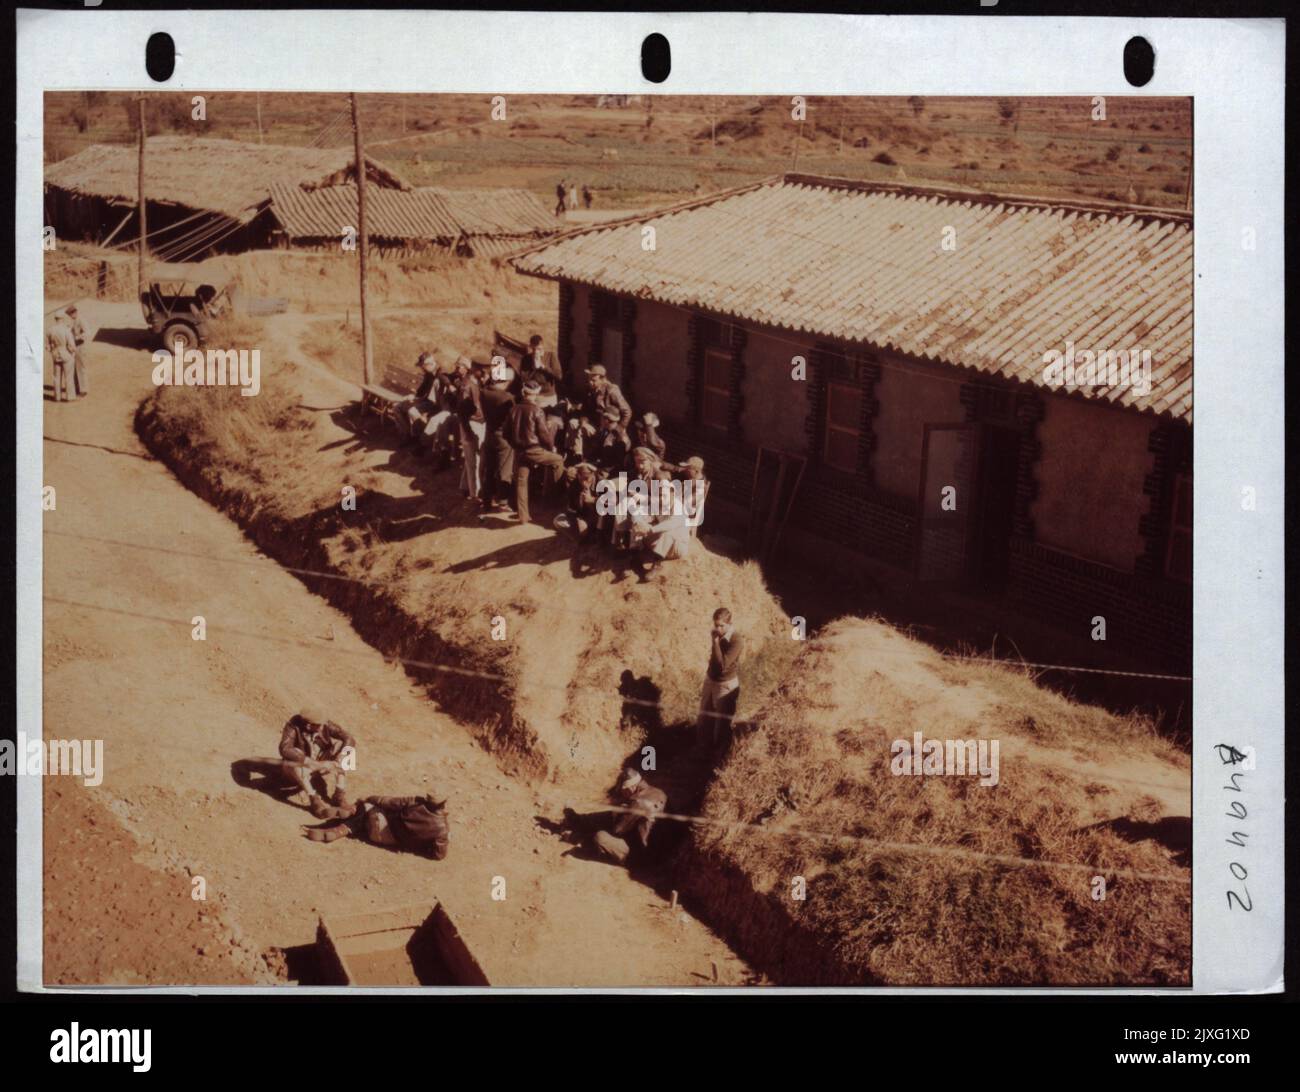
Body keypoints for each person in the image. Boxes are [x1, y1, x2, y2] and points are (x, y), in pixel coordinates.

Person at [307, 793, 450, 859]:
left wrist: (369, 798)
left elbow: (387, 801)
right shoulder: (442, 829)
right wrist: (418, 846)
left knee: (367, 807)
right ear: (444, 803)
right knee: (366, 820)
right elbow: (438, 855)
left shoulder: (416, 802)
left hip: (381, 826)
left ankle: (347, 820)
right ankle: (344, 826)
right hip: (391, 842)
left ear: (428, 798)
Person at [507, 381, 566, 525]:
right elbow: (544, 435)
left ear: (523, 393)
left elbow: (506, 433)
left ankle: (523, 517)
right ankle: (552, 499)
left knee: (521, 482)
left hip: (519, 451)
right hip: (534, 450)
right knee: (558, 460)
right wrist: (550, 448)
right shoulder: (537, 411)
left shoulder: (513, 409)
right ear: (536, 394)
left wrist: (515, 446)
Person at [278, 709, 355, 815]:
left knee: (348, 750)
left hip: (318, 765)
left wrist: (339, 758)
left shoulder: (324, 724)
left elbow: (349, 738)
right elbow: (285, 749)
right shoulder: (293, 726)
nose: (324, 727)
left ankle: (339, 794)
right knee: (296, 754)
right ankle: (313, 799)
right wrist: (312, 762)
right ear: (309, 726)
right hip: (298, 770)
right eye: (320, 725)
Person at [591, 768, 667, 866]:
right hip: (665, 849)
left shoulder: (638, 802)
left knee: (600, 837)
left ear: (631, 788)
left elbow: (617, 830)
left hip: (647, 857)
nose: (622, 794)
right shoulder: (659, 792)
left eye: (623, 791)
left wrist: (617, 814)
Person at [630, 477, 692, 580]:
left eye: (664, 495)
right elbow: (639, 512)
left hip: (677, 546)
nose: (662, 498)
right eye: (659, 495)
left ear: (672, 494)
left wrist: (650, 529)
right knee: (639, 524)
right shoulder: (658, 503)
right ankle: (636, 555)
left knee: (668, 531)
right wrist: (638, 522)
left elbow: (671, 524)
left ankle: (657, 564)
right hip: (661, 543)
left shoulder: (679, 507)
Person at [698, 608, 744, 746]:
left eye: (721, 626)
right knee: (703, 720)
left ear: (730, 624)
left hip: (726, 685)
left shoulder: (737, 640)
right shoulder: (718, 635)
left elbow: (721, 665)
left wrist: (715, 643)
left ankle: (717, 760)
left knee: (721, 727)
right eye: (716, 625)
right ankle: (701, 753)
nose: (718, 629)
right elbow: (713, 661)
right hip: (711, 681)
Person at [478, 365, 517, 512]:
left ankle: (486, 501)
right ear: (507, 381)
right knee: (504, 471)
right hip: (504, 438)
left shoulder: (484, 392)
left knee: (489, 469)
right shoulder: (507, 398)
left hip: (489, 435)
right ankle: (503, 501)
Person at [454, 356, 485, 497]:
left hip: (476, 423)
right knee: (474, 462)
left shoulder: (475, 382)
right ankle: (475, 495)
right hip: (471, 424)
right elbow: (462, 412)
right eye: (483, 370)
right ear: (476, 369)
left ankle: (464, 487)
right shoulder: (467, 385)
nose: (486, 373)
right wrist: (467, 431)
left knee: (470, 458)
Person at [553, 462, 600, 542]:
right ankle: (583, 538)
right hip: (582, 517)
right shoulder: (574, 485)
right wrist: (577, 520)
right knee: (557, 521)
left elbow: (611, 503)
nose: (584, 482)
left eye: (587, 478)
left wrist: (592, 500)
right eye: (581, 478)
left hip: (598, 518)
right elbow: (571, 508)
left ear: (592, 475)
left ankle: (591, 536)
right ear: (578, 475)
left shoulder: (601, 483)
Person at [403, 354, 442, 441]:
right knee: (400, 406)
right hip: (429, 401)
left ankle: (422, 437)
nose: (422, 369)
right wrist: (414, 396)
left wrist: (426, 413)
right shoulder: (429, 373)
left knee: (412, 411)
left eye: (423, 366)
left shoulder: (440, 375)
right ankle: (411, 436)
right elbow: (422, 389)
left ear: (430, 364)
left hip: (437, 405)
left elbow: (437, 400)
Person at [581, 364, 632, 431]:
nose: (590, 382)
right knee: (574, 424)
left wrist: (619, 428)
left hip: (609, 427)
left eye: (593, 380)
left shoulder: (611, 390)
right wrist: (584, 422)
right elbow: (585, 409)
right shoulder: (590, 390)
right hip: (596, 424)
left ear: (602, 379)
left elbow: (627, 412)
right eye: (589, 379)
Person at [518, 334, 564, 398]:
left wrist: (543, 367)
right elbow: (523, 379)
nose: (536, 352)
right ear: (530, 346)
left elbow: (559, 376)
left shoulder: (551, 356)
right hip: (532, 396)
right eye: (533, 349)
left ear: (543, 346)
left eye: (539, 349)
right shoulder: (526, 359)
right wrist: (533, 368)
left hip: (547, 396)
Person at [46, 310, 76, 402]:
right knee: (68, 377)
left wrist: (52, 350)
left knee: (56, 377)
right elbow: (71, 345)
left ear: (55, 319)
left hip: (55, 354)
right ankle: (70, 397)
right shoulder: (66, 330)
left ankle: (57, 397)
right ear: (62, 318)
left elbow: (47, 346)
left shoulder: (50, 330)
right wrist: (73, 352)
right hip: (66, 354)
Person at [591, 407, 630, 475]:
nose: (600, 419)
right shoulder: (605, 432)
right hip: (604, 467)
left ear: (607, 420)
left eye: (602, 417)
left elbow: (620, 462)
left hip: (615, 473)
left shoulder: (620, 436)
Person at [65, 304, 88, 398]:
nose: (70, 316)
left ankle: (84, 389)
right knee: (74, 368)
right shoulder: (73, 321)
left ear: (74, 312)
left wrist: (77, 337)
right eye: (69, 315)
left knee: (81, 368)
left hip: (80, 346)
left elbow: (87, 332)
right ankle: (78, 388)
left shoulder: (81, 320)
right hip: (74, 347)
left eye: (71, 314)